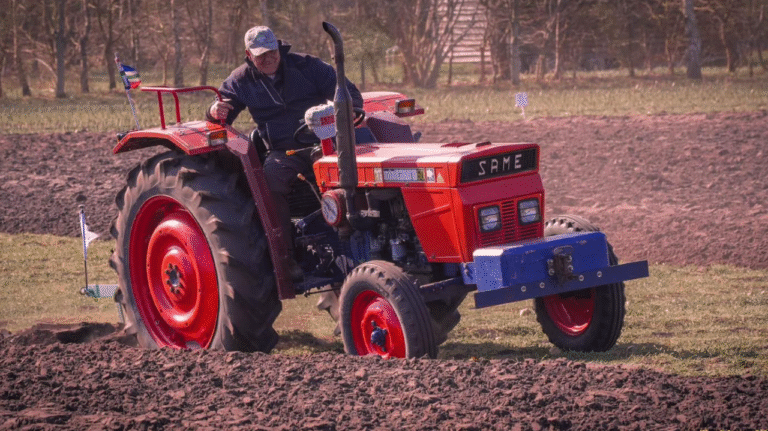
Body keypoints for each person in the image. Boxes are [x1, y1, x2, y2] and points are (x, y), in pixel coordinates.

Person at [208, 26, 363, 281]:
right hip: (284, 151)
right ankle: (286, 257)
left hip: (323, 143)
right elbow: (221, 113)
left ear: (279, 48)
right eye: (261, 55)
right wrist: (215, 111)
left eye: (272, 52)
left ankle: (354, 236)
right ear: (249, 55)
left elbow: (346, 91)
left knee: (348, 172)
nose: (268, 58)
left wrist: (352, 108)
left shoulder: (307, 66)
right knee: (270, 182)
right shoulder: (241, 80)